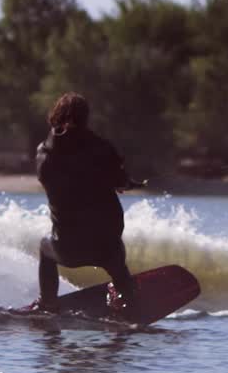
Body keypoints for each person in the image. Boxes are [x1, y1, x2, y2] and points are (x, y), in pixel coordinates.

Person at [30, 92, 144, 315]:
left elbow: (53, 180)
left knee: (45, 246)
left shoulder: (43, 154)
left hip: (67, 247)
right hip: (105, 245)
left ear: (55, 117)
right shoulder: (103, 148)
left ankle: (48, 303)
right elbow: (119, 180)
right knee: (115, 253)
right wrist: (125, 183)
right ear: (85, 118)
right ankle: (127, 298)